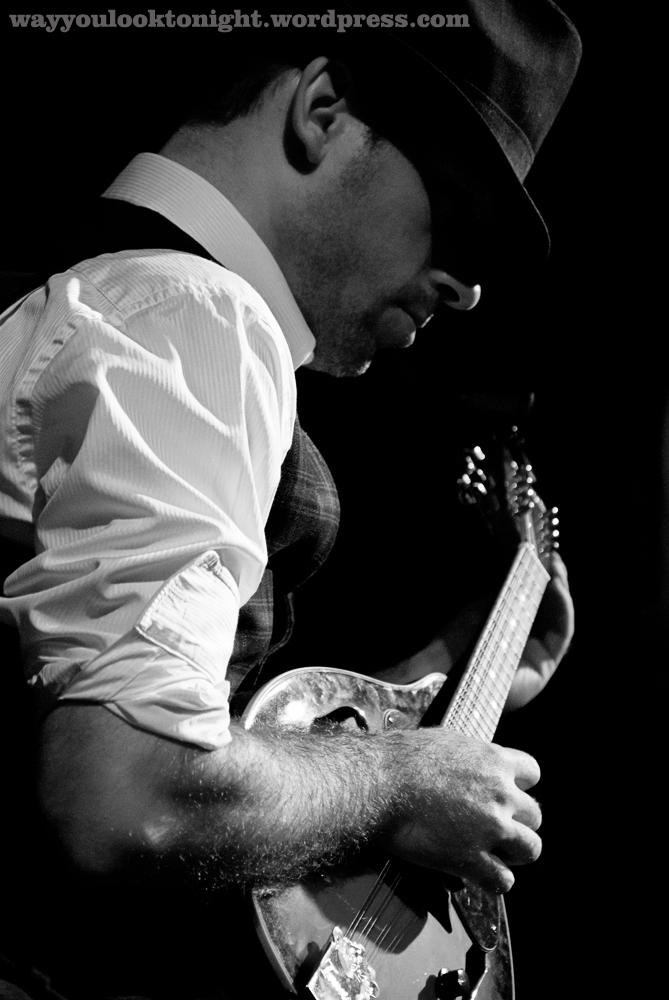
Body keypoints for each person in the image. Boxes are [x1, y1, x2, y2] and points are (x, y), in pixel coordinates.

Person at [0, 4, 579, 998]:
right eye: (461, 211)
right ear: (321, 111)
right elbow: (124, 796)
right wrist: (396, 781)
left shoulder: (92, 289)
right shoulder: (194, 315)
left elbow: (185, 734)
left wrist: (446, 671)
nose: (469, 290)